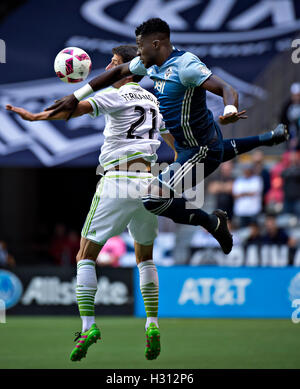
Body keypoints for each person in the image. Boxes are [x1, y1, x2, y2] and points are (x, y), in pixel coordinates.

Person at [45, 18, 289, 256]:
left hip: (199, 147)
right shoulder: (151, 64)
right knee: (216, 152)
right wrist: (76, 96)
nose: (138, 51)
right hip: (190, 144)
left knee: (152, 198)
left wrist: (230, 109)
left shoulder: (186, 65)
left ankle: (213, 224)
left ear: (156, 44)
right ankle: (268, 138)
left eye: (140, 46)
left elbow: (228, 89)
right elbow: (115, 73)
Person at [6, 45, 177, 362]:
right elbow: (174, 144)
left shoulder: (114, 95)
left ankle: (88, 326)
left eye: (113, 64)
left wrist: (37, 116)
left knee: (85, 255)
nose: (107, 69)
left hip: (119, 179)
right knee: (145, 257)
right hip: (151, 182)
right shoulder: (153, 100)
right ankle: (152, 324)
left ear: (126, 69)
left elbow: (76, 108)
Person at [232, 164, 263, 228]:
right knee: (242, 232)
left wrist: (242, 194)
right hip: (241, 211)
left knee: (254, 231)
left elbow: (254, 193)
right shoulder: (239, 180)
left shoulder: (257, 179)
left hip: (253, 211)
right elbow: (235, 195)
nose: (246, 172)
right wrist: (247, 193)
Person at [280, 82, 300, 150]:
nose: (296, 97)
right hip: (290, 134)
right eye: (295, 95)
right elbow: (283, 121)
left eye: (298, 95)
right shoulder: (287, 106)